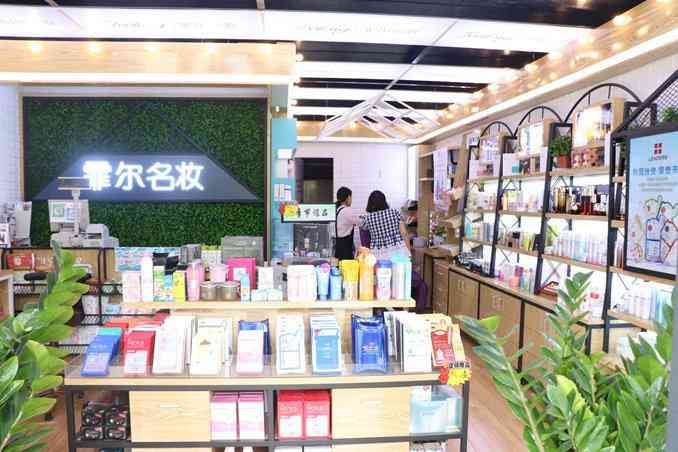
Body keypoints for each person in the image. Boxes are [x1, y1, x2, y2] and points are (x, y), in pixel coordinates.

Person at [359, 190, 411, 260]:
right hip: (398, 249)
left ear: (370, 203)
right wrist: (408, 252)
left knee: (381, 267)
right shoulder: (395, 212)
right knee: (400, 267)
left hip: (379, 252)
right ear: (384, 201)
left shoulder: (368, 218)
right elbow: (404, 233)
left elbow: (364, 236)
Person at [334, 186, 358, 260]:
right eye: (351, 197)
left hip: (337, 247)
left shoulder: (336, 209)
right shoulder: (347, 211)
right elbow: (360, 223)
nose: (351, 200)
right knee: (346, 266)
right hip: (345, 249)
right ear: (348, 197)